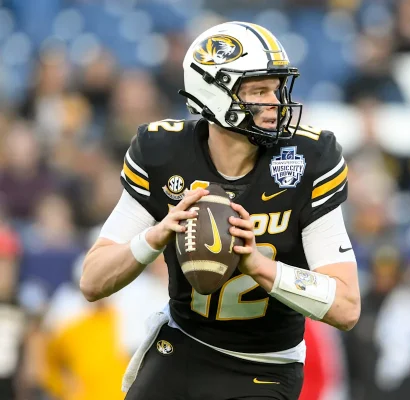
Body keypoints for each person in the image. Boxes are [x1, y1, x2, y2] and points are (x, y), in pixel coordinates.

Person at [79, 21, 360, 400]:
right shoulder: (163, 153)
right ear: (213, 94)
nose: (276, 103)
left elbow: (346, 307)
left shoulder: (310, 159)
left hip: (266, 365)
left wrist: (259, 266)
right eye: (259, 91)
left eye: (276, 89)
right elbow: (92, 281)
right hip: (183, 346)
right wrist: (155, 236)